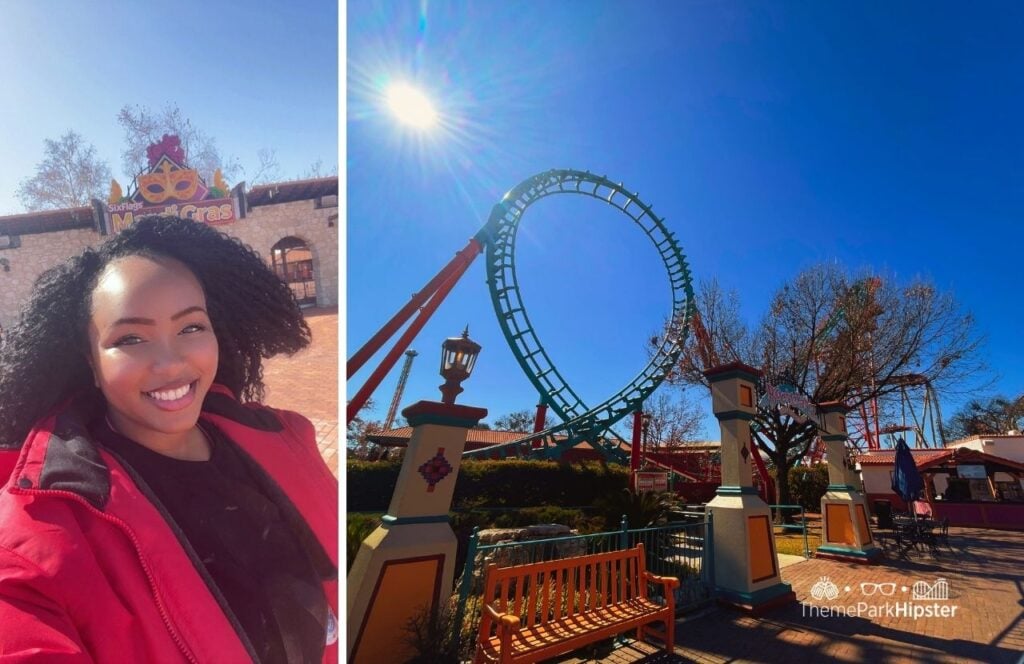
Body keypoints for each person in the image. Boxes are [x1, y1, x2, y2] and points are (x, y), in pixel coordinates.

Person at [0, 215, 338, 663]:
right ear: (89, 359)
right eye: (132, 337)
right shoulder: (36, 538)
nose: (170, 363)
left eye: (191, 327)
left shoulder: (288, 439)